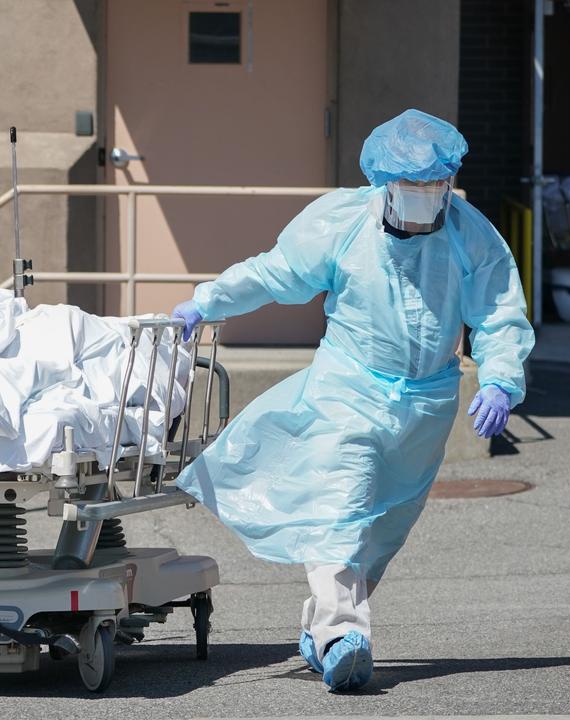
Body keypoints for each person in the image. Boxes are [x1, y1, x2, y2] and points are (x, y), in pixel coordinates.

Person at [171, 109, 533, 692]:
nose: (423, 196)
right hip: (350, 387)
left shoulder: (470, 233)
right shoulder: (342, 222)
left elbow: (497, 314)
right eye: (411, 185)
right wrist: (208, 301)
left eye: (434, 185)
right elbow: (278, 273)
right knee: (342, 507)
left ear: (448, 183)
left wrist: (499, 378)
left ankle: (321, 630)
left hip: (427, 403)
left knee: (383, 530)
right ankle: (345, 635)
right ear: (384, 181)